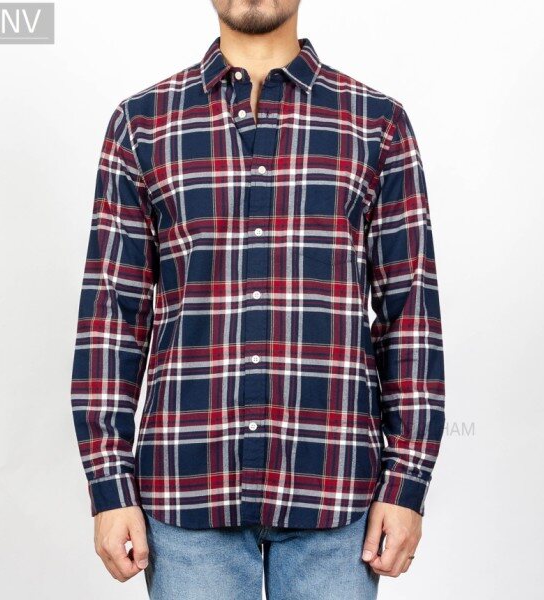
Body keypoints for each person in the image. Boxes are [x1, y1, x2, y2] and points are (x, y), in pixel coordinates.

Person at [69, 1, 446, 598]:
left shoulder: (377, 124)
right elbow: (112, 316)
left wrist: (406, 484)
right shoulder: (142, 125)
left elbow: (410, 314)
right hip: (186, 494)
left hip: (336, 494)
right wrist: (109, 487)